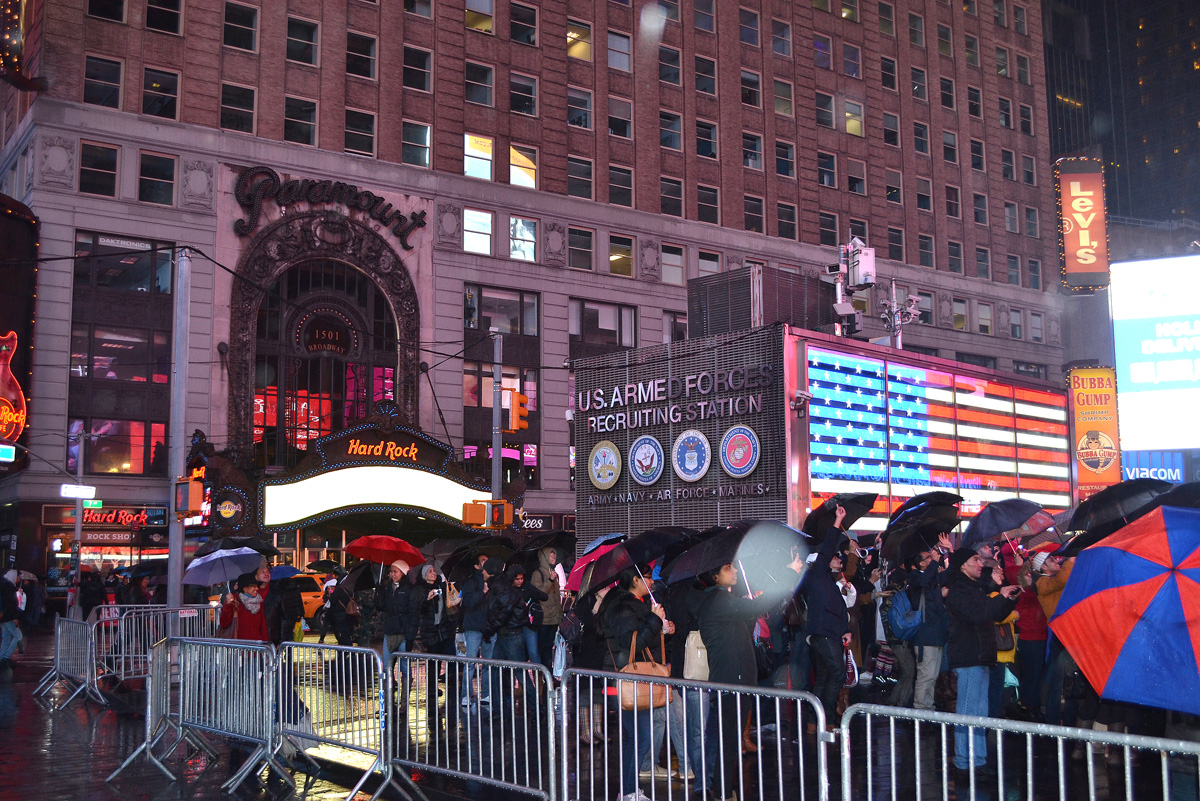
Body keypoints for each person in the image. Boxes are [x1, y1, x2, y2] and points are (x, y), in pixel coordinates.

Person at [698, 552, 804, 801]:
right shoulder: (717, 600)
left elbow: (748, 617)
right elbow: (756, 608)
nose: (734, 570)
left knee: (730, 738)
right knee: (727, 739)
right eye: (728, 567)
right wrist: (787, 573)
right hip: (729, 678)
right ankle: (723, 792)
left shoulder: (725, 599)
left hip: (738, 676)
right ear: (715, 576)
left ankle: (723, 789)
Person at [596, 566, 673, 801]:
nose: (651, 583)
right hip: (626, 679)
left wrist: (660, 626)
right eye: (648, 578)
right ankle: (628, 791)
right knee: (638, 736)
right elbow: (633, 643)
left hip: (628, 679)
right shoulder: (623, 607)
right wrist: (654, 619)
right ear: (636, 580)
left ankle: (630, 790)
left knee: (636, 736)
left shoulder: (626, 603)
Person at [943, 548, 1020, 772]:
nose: (980, 564)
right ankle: (963, 760)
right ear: (962, 565)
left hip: (982, 655)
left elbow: (994, 614)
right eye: (975, 560)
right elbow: (978, 614)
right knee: (968, 709)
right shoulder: (959, 589)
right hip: (969, 656)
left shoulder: (975, 588)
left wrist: (1009, 599)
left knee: (980, 711)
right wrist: (999, 595)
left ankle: (978, 759)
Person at [802, 505, 853, 726]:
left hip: (829, 634)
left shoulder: (827, 581)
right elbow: (827, 549)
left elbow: (839, 608)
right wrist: (837, 521)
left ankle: (816, 721)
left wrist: (846, 630)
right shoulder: (815, 575)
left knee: (823, 677)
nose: (836, 558)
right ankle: (829, 721)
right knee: (837, 674)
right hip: (822, 634)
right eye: (831, 556)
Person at [409, 563, 461, 733]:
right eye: (429, 571)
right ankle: (432, 687)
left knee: (445, 656)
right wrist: (427, 600)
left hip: (443, 628)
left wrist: (447, 586)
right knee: (433, 659)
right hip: (430, 629)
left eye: (433, 570)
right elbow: (418, 609)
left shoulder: (441, 584)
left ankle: (444, 682)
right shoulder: (420, 590)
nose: (433, 573)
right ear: (424, 575)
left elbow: (450, 603)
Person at [1005, 547, 1048, 719]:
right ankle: (1030, 707)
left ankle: (1031, 705)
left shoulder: (1035, 581)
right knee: (1032, 674)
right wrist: (1020, 564)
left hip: (1038, 635)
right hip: (1031, 636)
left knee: (1034, 674)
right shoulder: (1026, 584)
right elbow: (1011, 572)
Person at [910, 535, 952, 712]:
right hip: (925, 635)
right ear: (921, 563)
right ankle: (920, 709)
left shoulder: (932, 578)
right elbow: (922, 581)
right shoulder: (914, 577)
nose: (932, 557)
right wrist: (935, 563)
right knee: (925, 675)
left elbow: (951, 574)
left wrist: (949, 550)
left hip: (937, 633)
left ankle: (929, 707)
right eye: (928, 557)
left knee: (933, 675)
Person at [460, 557, 500, 707]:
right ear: (477, 565)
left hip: (489, 627)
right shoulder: (471, 582)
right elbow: (469, 603)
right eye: (483, 560)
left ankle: (486, 693)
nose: (487, 561)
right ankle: (466, 694)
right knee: (470, 662)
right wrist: (482, 592)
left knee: (488, 662)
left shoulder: (495, 581)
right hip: (474, 627)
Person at [376, 560, 414, 670]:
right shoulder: (387, 587)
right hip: (390, 631)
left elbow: (412, 611)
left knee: (405, 666)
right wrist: (379, 593)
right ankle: (389, 685)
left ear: (402, 572)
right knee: (387, 664)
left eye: (395, 571)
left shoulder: (409, 589)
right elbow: (381, 607)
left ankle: (406, 686)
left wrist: (410, 633)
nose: (392, 574)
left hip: (403, 632)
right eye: (391, 571)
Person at [530, 547, 564, 669]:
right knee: (542, 648)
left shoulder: (554, 573)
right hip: (544, 619)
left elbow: (556, 598)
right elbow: (539, 593)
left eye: (554, 555)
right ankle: (542, 674)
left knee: (549, 648)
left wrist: (560, 616)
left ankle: (548, 674)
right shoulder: (537, 574)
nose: (554, 558)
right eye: (551, 556)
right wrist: (550, 580)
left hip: (554, 619)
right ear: (544, 557)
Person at [219, 573, 270, 642]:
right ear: (245, 589)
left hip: (256, 648)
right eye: (253, 586)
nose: (257, 588)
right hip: (238, 646)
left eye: (257, 586)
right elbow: (224, 623)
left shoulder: (259, 601)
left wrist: (265, 644)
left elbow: (263, 627)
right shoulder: (234, 601)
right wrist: (228, 605)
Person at [0, 570, 19, 669]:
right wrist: (15, 616)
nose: (19, 579)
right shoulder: (10, 588)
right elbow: (12, 604)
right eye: (18, 577)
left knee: (6, 637)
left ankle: (2, 657)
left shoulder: (3, 586)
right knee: (17, 636)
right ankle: (6, 657)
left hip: (2, 617)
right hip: (8, 616)